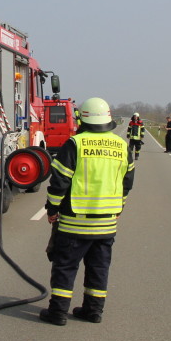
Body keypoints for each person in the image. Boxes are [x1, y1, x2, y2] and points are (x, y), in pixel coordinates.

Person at [40, 97, 135, 325]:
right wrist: (118, 206)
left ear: (81, 118)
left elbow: (60, 182)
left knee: (65, 267)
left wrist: (52, 209)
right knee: (99, 268)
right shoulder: (122, 145)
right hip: (107, 224)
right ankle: (93, 311)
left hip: (75, 222)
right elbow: (127, 182)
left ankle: (58, 313)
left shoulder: (76, 144)